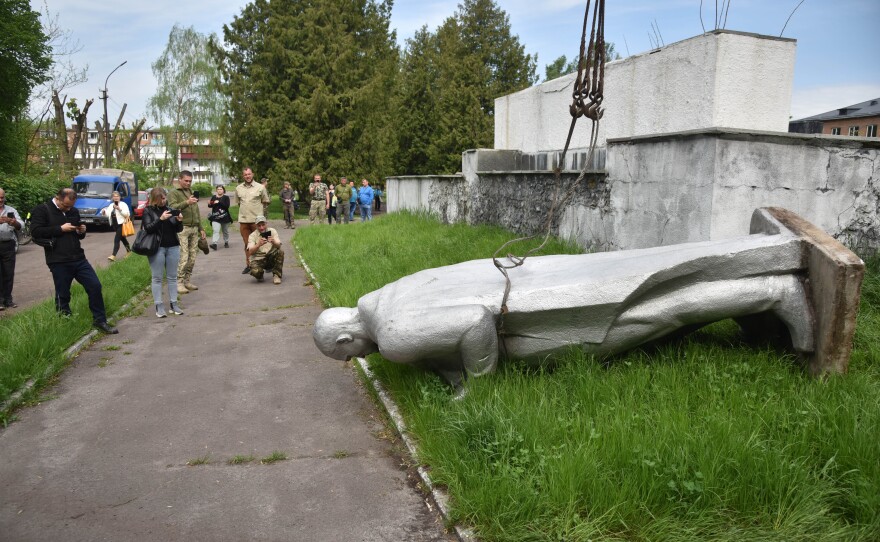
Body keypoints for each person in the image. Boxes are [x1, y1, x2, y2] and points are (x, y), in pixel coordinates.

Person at [30, 187, 118, 333]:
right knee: (63, 293)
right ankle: (64, 324)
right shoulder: (43, 210)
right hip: (58, 259)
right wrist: (59, 229)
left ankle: (100, 320)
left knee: (95, 286)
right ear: (57, 198)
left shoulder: (73, 211)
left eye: (71, 206)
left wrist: (81, 231)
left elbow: (77, 234)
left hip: (78, 257)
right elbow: (36, 232)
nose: (68, 208)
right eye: (65, 205)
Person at [142, 187, 185, 318]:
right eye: (162, 198)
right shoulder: (148, 211)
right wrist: (160, 219)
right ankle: (159, 305)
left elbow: (178, 230)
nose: (165, 200)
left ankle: (174, 303)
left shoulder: (170, 210)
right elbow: (148, 228)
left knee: (172, 277)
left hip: (173, 246)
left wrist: (179, 221)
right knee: (157, 278)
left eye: (165, 197)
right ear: (155, 199)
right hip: (157, 248)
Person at [168, 170, 206, 294]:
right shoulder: (174, 193)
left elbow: (196, 211)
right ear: (180, 179)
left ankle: (187, 280)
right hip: (182, 228)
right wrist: (187, 202)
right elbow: (172, 208)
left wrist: (201, 228)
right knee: (184, 256)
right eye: (186, 181)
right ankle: (178, 283)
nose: (188, 183)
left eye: (190, 181)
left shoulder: (190, 192)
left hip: (194, 228)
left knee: (193, 256)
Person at [235, 167, 270, 274]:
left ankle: (267, 264)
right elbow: (239, 203)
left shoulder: (260, 187)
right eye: (245, 174)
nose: (247, 176)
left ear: (253, 174)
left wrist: (260, 216)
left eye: (249, 174)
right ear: (243, 176)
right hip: (244, 221)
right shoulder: (238, 188)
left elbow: (265, 201)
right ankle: (249, 265)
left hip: (257, 222)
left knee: (263, 242)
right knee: (247, 244)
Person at [0, 187, 22, 311]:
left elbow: (20, 226)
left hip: (8, 244)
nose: (1, 199)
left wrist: (13, 222)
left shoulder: (11, 210)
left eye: (2, 197)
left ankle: (8, 299)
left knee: (8, 272)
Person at [246, 215, 284, 285]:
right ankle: (260, 275)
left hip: (270, 256)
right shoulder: (252, 235)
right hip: (258, 258)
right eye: (259, 225)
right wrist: (258, 245)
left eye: (263, 225)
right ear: (256, 226)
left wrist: (273, 242)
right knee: (256, 272)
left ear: (266, 223)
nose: (261, 227)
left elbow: (279, 245)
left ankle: (277, 275)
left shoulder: (272, 231)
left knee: (280, 251)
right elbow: (250, 251)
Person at [101, 191, 131, 261]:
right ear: (112, 198)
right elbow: (108, 214)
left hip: (122, 224)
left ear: (120, 197)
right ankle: (129, 251)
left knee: (116, 239)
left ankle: (113, 255)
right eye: (114, 196)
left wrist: (119, 209)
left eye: (117, 196)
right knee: (123, 239)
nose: (116, 198)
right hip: (115, 225)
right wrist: (104, 212)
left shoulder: (123, 204)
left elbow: (127, 215)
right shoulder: (111, 205)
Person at [208, 185, 231, 250]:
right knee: (216, 230)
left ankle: (226, 241)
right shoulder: (213, 197)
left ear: (223, 190)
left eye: (221, 189)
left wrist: (219, 202)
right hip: (215, 217)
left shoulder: (226, 197)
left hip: (224, 217)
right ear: (216, 190)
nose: (219, 190)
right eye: (218, 189)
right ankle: (214, 244)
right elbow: (210, 206)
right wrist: (209, 204)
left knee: (225, 231)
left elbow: (227, 206)